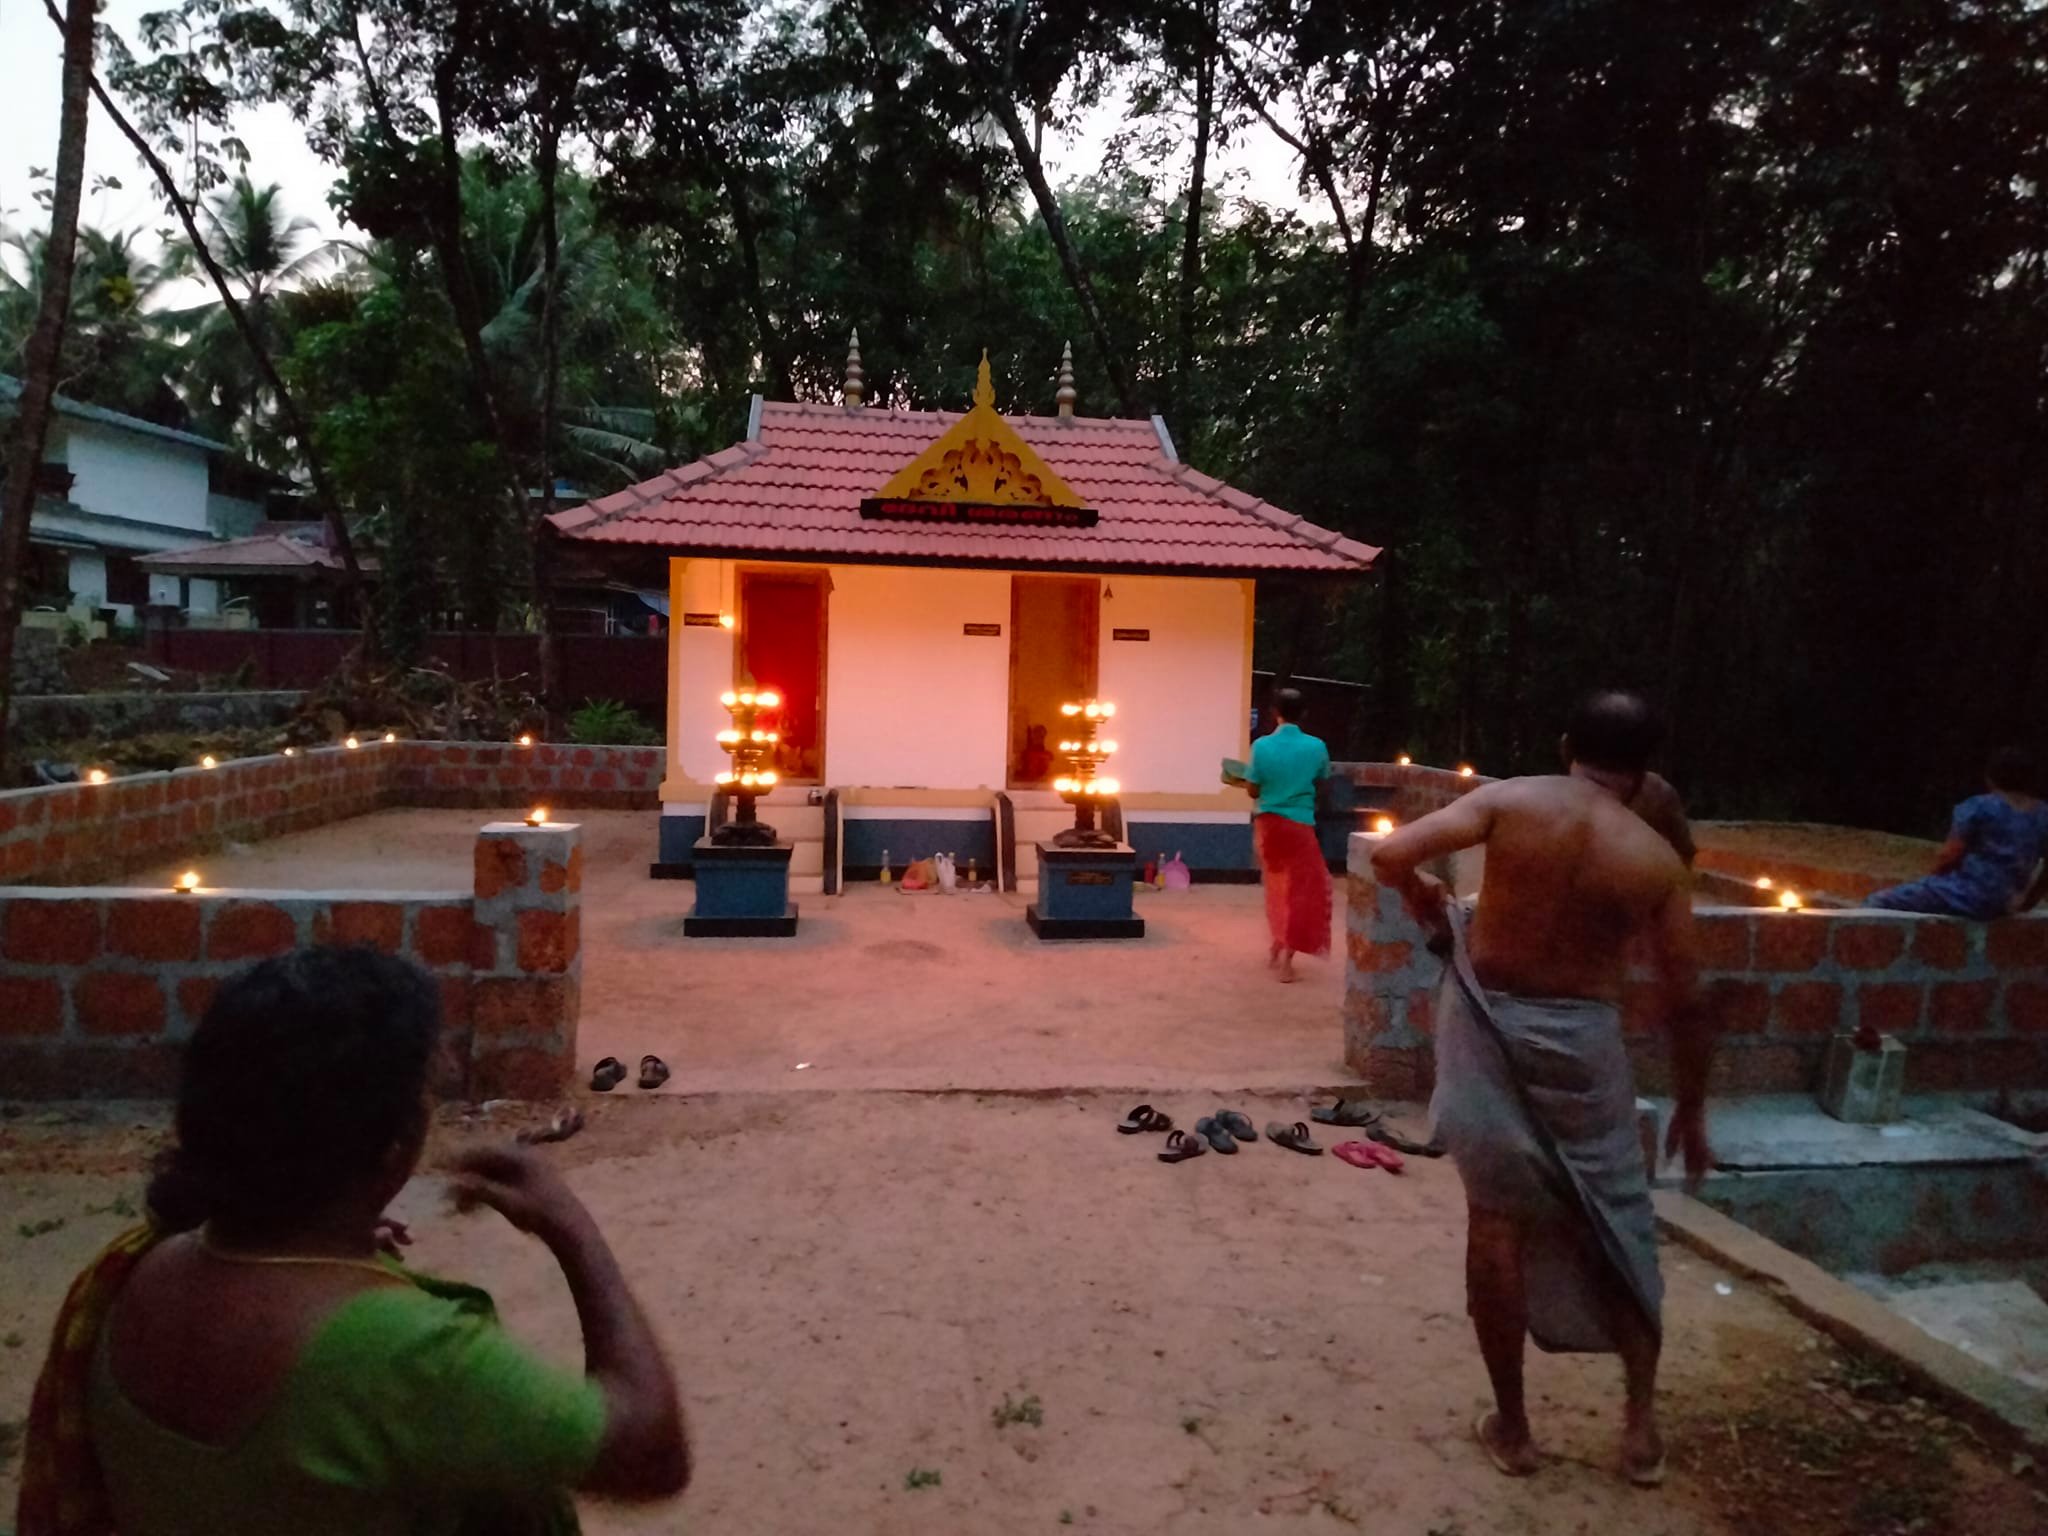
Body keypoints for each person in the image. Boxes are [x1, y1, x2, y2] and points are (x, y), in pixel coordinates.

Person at [17, 947, 689, 1536]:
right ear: (395, 1148)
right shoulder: (407, 1357)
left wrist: (331, 1237)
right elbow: (651, 1450)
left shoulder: (134, 1271)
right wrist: (571, 1228)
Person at [1370, 689, 1708, 1489]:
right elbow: (1684, 1001)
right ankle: (1640, 1430)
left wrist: (1427, 906)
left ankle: (1516, 1431)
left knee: (1495, 1222)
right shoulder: (1654, 860)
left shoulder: (1511, 799)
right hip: (1585, 1044)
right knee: (1619, 1218)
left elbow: (1391, 856)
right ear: (1645, 768)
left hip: (1490, 1025)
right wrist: (1692, 1109)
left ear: (1566, 744)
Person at [1865, 747, 2048, 918]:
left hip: (1964, 894)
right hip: (2006, 900)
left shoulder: (1978, 807)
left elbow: (1949, 856)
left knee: (1877, 901)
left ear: (1990, 777)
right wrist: (2028, 901)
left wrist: (1928, 882)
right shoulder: (2043, 814)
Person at [1235, 687, 1333, 982]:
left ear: (1273, 713)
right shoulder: (1317, 746)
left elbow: (1253, 788)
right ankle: (1288, 956)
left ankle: (1277, 943)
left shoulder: (1261, 747)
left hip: (1269, 823)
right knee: (1304, 890)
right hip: (1300, 823)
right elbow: (1324, 785)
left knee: (1276, 884)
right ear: (1303, 714)